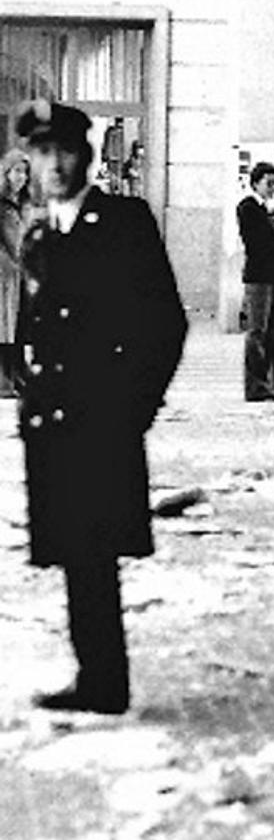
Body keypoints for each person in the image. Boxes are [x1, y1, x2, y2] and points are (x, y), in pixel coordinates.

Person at [15, 100, 187, 715]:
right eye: (41, 153)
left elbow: (165, 323)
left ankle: (104, 681)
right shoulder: (40, 232)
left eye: (64, 151)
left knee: (93, 551)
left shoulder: (121, 221)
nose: (53, 165)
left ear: (84, 156)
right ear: (28, 161)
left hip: (103, 420)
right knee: (74, 550)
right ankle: (96, 676)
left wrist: (134, 409)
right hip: (53, 424)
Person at [236, 161, 274, 402]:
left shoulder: (267, 208)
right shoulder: (248, 208)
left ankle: (266, 383)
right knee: (257, 331)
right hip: (259, 276)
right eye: (269, 183)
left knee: (270, 331)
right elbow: (260, 243)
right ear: (256, 183)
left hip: (272, 276)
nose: (273, 188)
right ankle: (256, 385)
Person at [0, 145, 32, 397]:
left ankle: (17, 375)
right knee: (5, 325)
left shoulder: (21, 203)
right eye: (16, 172)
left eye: (24, 173)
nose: (21, 177)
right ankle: (5, 380)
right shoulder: (3, 203)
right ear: (6, 173)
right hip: (4, 272)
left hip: (17, 272)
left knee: (18, 325)